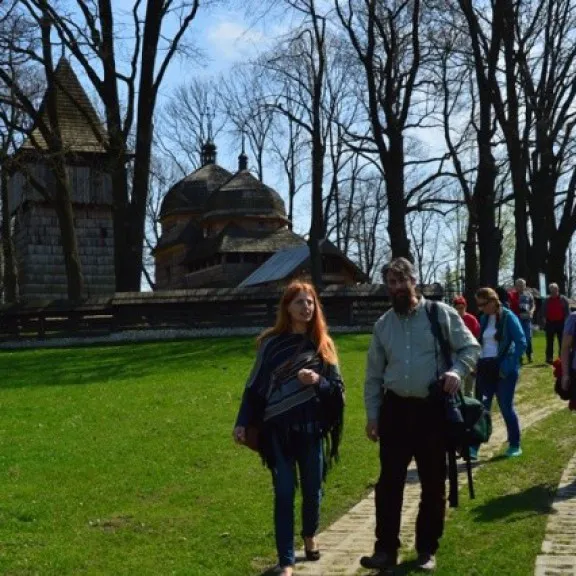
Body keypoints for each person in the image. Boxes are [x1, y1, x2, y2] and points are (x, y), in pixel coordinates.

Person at [360, 258, 480, 573]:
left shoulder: (440, 314)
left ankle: (427, 549)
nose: (397, 288)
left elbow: (471, 348)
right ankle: (385, 550)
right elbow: (373, 376)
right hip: (395, 411)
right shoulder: (383, 325)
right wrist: (373, 415)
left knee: (432, 483)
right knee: (389, 485)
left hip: (432, 411)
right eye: (391, 283)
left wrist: (456, 371)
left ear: (415, 281)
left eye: (402, 281)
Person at [233, 281, 345, 576]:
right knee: (283, 492)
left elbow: (338, 391)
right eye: (299, 303)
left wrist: (317, 382)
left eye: (310, 302)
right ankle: (286, 561)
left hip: (311, 429)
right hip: (277, 432)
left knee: (312, 490)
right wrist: (242, 422)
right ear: (287, 307)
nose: (306, 307)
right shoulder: (270, 345)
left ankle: (309, 535)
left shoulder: (323, 345)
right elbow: (255, 387)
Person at [472, 287, 526, 461]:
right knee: (481, 408)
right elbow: (480, 343)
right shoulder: (484, 318)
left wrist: (508, 366)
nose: (480, 308)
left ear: (493, 301)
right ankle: (474, 446)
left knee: (505, 407)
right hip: (485, 368)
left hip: (503, 369)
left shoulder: (509, 317)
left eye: (483, 304)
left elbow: (521, 343)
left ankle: (514, 444)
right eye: (478, 305)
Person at [452, 296, 480, 396]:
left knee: (469, 386)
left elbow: (477, 337)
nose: (460, 310)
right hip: (455, 354)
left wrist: (476, 359)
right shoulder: (451, 320)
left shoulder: (471, 319)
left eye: (462, 307)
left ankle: (470, 407)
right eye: (457, 307)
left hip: (469, 354)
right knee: (456, 386)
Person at [542, 283, 570, 364]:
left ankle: (561, 357)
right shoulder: (547, 300)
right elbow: (543, 311)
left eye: (555, 290)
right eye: (551, 291)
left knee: (562, 341)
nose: (553, 293)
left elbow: (567, 312)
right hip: (550, 322)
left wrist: (567, 322)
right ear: (550, 291)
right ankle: (549, 358)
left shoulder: (563, 299)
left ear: (558, 290)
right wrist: (544, 320)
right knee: (549, 341)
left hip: (561, 322)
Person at [511, 278, 535, 362]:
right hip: (516, 319)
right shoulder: (512, 295)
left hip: (527, 319)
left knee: (528, 337)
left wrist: (531, 312)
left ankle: (529, 355)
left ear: (525, 286)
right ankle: (519, 356)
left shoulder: (529, 294)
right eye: (518, 285)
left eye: (522, 285)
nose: (520, 287)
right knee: (518, 337)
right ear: (516, 286)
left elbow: (532, 305)